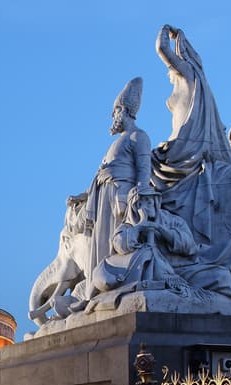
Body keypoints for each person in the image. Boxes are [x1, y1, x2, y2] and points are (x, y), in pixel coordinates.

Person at [82, 76, 152, 294]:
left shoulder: (138, 136)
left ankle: (114, 281)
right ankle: (98, 283)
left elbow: (143, 170)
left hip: (119, 198)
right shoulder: (118, 140)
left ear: (123, 110)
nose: (113, 117)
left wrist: (136, 197)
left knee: (113, 245)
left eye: (114, 112)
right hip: (103, 197)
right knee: (100, 244)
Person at [152, 24, 231, 187]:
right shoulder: (195, 81)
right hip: (186, 142)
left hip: (184, 146)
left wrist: (165, 30)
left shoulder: (187, 73)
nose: (168, 74)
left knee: (149, 165)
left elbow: (161, 48)